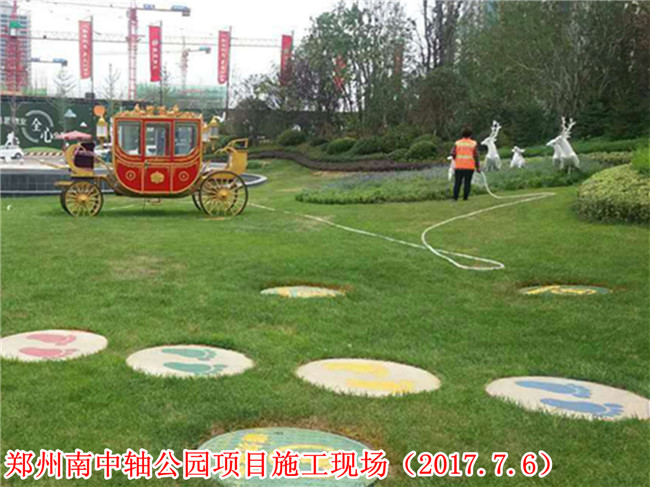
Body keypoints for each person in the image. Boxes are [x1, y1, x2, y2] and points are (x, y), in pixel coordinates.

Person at [450, 127, 480, 201]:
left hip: (459, 165)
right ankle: (465, 197)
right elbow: (476, 156)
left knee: (457, 183)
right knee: (467, 183)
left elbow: (453, 153)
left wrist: (456, 158)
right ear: (470, 135)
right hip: (469, 166)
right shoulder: (473, 143)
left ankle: (455, 198)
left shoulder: (457, 143)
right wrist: (478, 167)